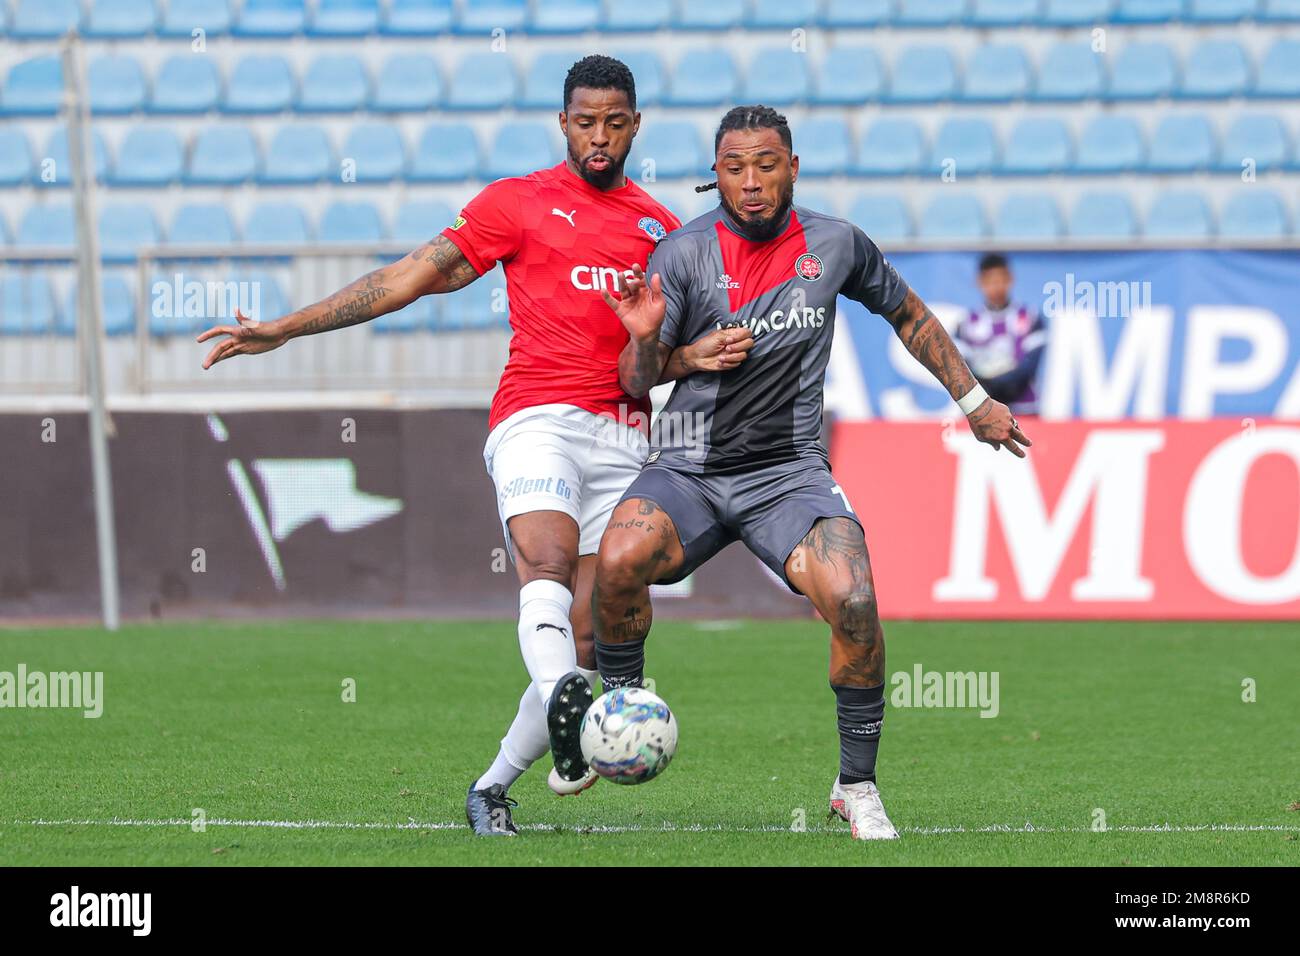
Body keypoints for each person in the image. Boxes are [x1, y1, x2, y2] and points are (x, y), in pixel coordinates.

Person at [195, 56, 753, 837]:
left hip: (626, 430)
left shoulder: (659, 228)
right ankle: (569, 708)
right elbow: (411, 276)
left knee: (593, 635)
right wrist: (284, 328)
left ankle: (493, 785)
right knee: (546, 559)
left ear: (635, 126)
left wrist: (689, 356)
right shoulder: (516, 204)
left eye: (614, 122)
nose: (599, 136)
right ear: (563, 124)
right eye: (584, 121)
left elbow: (657, 359)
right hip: (536, 416)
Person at [587, 105, 1031, 840]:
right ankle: (619, 712)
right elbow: (636, 378)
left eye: (766, 165)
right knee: (618, 558)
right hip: (689, 463)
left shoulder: (837, 245)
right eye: (734, 168)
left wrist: (975, 400)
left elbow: (910, 315)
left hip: (788, 471)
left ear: (793, 167)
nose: (751, 183)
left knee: (854, 598)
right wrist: (646, 341)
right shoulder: (682, 254)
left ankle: (855, 786)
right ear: (716, 175)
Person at [954, 253, 1047, 415]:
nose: (996, 287)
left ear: (1010, 279)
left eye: (1000, 280)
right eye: (990, 281)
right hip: (982, 413)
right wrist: (986, 387)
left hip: (1023, 409)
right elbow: (962, 368)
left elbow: (1030, 365)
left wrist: (999, 384)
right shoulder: (966, 323)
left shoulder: (1030, 317)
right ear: (979, 282)